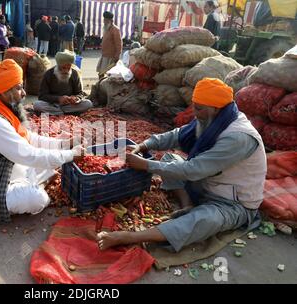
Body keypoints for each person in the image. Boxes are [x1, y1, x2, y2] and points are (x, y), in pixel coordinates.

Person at [97, 78, 266, 252]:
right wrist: (143, 145)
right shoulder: (215, 119)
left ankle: (129, 237)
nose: (195, 112)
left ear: (215, 109)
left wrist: (146, 165)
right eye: (194, 106)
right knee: (170, 159)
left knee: (205, 220)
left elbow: (194, 170)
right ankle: (187, 205)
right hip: (208, 183)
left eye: (198, 108)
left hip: (232, 203)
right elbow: (178, 135)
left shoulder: (238, 137)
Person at [0, 59, 85, 222]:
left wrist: (64, 144)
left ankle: (34, 182)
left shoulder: (0, 110)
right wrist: (71, 154)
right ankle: (36, 186)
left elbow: (29, 139)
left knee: (44, 166)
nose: (23, 93)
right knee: (37, 199)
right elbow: (29, 154)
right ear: (3, 92)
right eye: (18, 88)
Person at [34, 50, 93, 115]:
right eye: (63, 68)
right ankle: (64, 112)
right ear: (58, 65)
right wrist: (58, 99)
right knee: (37, 105)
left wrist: (76, 98)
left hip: (69, 105)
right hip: (52, 104)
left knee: (88, 103)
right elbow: (42, 96)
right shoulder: (48, 74)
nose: (66, 71)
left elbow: (80, 93)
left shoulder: (74, 74)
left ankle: (58, 112)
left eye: (69, 68)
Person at [96, 11, 122, 79]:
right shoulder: (106, 28)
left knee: (109, 74)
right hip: (104, 55)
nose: (104, 21)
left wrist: (117, 56)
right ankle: (101, 86)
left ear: (110, 20)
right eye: (104, 19)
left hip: (111, 56)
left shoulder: (115, 29)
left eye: (105, 20)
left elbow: (119, 44)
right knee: (101, 73)